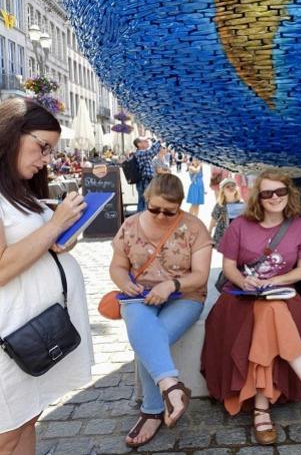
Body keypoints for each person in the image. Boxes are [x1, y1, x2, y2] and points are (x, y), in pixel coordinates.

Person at [201, 170, 301, 446]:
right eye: (267, 193)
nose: (274, 197)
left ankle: (261, 407)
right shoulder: (240, 225)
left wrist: (275, 280)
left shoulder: (299, 227)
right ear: (258, 197)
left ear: (289, 194)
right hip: (240, 297)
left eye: (280, 192)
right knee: (270, 313)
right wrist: (245, 280)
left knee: (271, 310)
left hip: (281, 293)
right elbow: (229, 267)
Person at [0, 98, 93, 454]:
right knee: (7, 433)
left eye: (51, 151)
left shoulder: (20, 187)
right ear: (11, 132)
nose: (46, 159)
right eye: (42, 147)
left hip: (35, 331)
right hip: (10, 335)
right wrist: (54, 225)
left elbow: (28, 243)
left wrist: (58, 240)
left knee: (28, 418)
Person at [109, 174, 212, 448]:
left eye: (170, 211)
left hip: (184, 295)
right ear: (146, 200)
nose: (162, 216)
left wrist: (172, 284)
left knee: (150, 339)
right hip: (140, 297)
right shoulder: (130, 225)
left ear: (180, 205)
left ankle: (152, 411)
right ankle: (171, 387)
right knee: (143, 326)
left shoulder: (194, 228)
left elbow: (201, 276)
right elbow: (118, 266)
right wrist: (124, 283)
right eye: (155, 209)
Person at [208, 177, 242, 248]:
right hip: (222, 233)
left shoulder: (241, 205)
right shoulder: (220, 204)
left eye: (233, 185)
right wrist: (209, 231)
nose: (231, 187)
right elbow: (214, 218)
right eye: (227, 186)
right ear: (223, 191)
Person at [134, 137, 161, 212]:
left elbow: (155, 150)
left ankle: (141, 219)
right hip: (144, 181)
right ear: (139, 144)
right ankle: (142, 220)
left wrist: (154, 140)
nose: (147, 142)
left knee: (144, 200)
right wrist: (159, 140)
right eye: (145, 141)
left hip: (145, 180)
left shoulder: (143, 153)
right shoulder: (140, 153)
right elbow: (151, 151)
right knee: (145, 201)